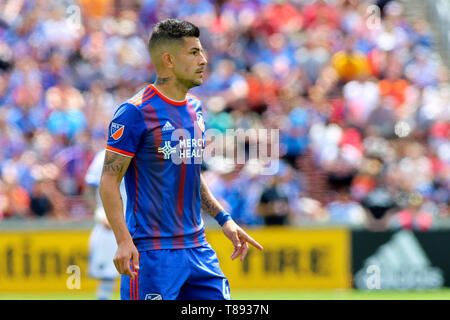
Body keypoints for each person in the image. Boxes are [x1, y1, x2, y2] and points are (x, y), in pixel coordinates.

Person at [99, 18, 263, 300]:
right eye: (194, 52)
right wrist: (123, 240)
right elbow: (108, 180)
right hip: (152, 253)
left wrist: (224, 220)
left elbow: (191, 174)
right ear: (169, 60)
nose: (204, 60)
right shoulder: (134, 112)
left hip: (198, 248)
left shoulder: (195, 109)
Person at [84, 149, 127, 300]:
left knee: (142, 275)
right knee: (107, 276)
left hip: (136, 224)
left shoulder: (142, 153)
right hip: (110, 225)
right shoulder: (104, 156)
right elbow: (89, 188)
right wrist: (99, 213)